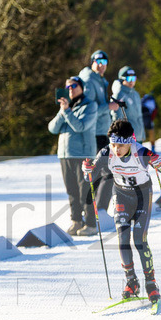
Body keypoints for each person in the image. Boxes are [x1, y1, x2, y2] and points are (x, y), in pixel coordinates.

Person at [83, 120, 161, 306]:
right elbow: (90, 175)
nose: (116, 149)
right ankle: (131, 281)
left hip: (142, 195)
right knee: (123, 238)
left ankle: (151, 283)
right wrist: (87, 170)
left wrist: (159, 164)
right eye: (114, 144)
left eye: (121, 145)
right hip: (121, 195)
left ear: (130, 142)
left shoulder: (141, 152)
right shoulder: (107, 152)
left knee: (139, 239)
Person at [48, 76, 98, 236]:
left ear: (81, 88)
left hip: (83, 154)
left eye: (74, 86)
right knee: (71, 191)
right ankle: (76, 221)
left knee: (85, 191)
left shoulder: (90, 105)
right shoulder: (65, 107)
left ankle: (90, 224)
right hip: (65, 155)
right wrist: (63, 112)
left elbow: (80, 126)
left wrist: (67, 112)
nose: (71, 89)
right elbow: (52, 128)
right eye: (68, 86)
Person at [79, 49, 120, 214]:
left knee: (100, 172)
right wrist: (108, 107)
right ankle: (95, 212)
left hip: (101, 131)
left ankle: (92, 211)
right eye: (99, 62)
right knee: (106, 172)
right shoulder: (89, 80)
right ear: (92, 62)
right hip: (94, 133)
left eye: (105, 63)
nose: (102, 66)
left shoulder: (99, 80)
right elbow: (88, 108)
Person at [111, 66, 145, 143]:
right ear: (122, 79)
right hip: (127, 138)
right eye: (129, 79)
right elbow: (117, 118)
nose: (131, 81)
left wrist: (142, 134)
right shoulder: (119, 94)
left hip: (138, 136)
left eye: (133, 79)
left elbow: (139, 116)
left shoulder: (135, 94)